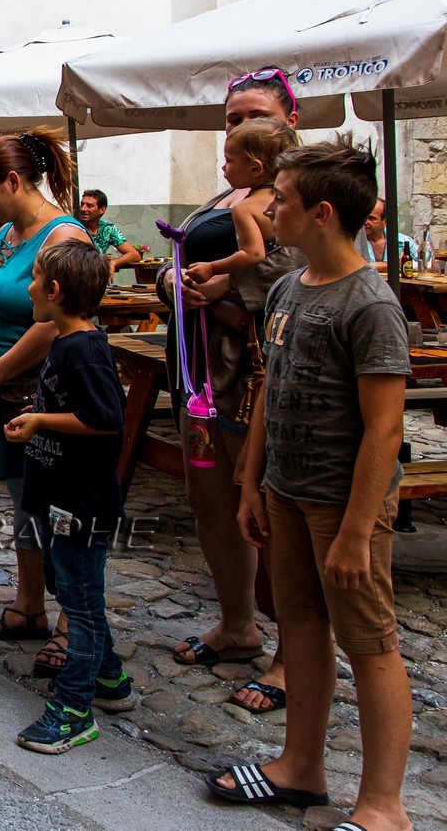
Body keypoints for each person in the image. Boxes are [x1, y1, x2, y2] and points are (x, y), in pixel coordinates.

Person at [208, 137, 413, 831]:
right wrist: (251, 478)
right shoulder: (293, 287)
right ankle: (301, 769)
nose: (269, 212)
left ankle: (384, 807)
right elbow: (272, 383)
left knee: (369, 642)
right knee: (299, 624)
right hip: (287, 492)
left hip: (341, 503)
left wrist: (357, 529)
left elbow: (384, 430)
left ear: (321, 213)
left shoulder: (372, 304)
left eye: (282, 202)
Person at [160, 70, 304, 714]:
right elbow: (181, 259)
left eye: (251, 117)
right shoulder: (225, 195)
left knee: (268, 506)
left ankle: (291, 654)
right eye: (230, 119)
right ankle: (238, 624)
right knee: (211, 497)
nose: (236, 129)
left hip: (253, 374)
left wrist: (223, 293)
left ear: (286, 124)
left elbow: (304, 271)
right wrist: (174, 285)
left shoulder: (308, 194)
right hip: (198, 376)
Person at [0, 129, 87, 679]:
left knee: (59, 506)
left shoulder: (64, 237)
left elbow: (55, 325)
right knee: (23, 500)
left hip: (38, 388)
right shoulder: (9, 230)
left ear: (13, 180)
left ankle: (73, 623)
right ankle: (30, 605)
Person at [3, 242, 136, 753]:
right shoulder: (65, 341)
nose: (29, 287)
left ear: (54, 291)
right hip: (60, 500)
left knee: (79, 605)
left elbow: (106, 418)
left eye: (34, 279)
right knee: (72, 587)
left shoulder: (84, 349)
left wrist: (39, 420)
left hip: (83, 505)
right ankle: (109, 678)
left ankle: (75, 707)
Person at [185, 121, 300, 312]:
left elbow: (253, 254)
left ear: (255, 168)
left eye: (229, 160)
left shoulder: (245, 208)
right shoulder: (295, 198)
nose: (223, 167)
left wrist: (212, 268)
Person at [78, 189, 140, 270]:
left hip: (97, 278)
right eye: (82, 204)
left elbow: (134, 255)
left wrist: (112, 263)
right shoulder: (73, 227)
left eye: (89, 206)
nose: (83, 209)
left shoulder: (108, 229)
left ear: (102, 210)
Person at [356, 198, 419, 271]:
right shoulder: (352, 242)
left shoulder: (402, 241)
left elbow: (425, 264)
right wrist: (393, 265)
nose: (365, 222)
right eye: (363, 217)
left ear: (385, 222)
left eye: (371, 218)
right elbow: (354, 268)